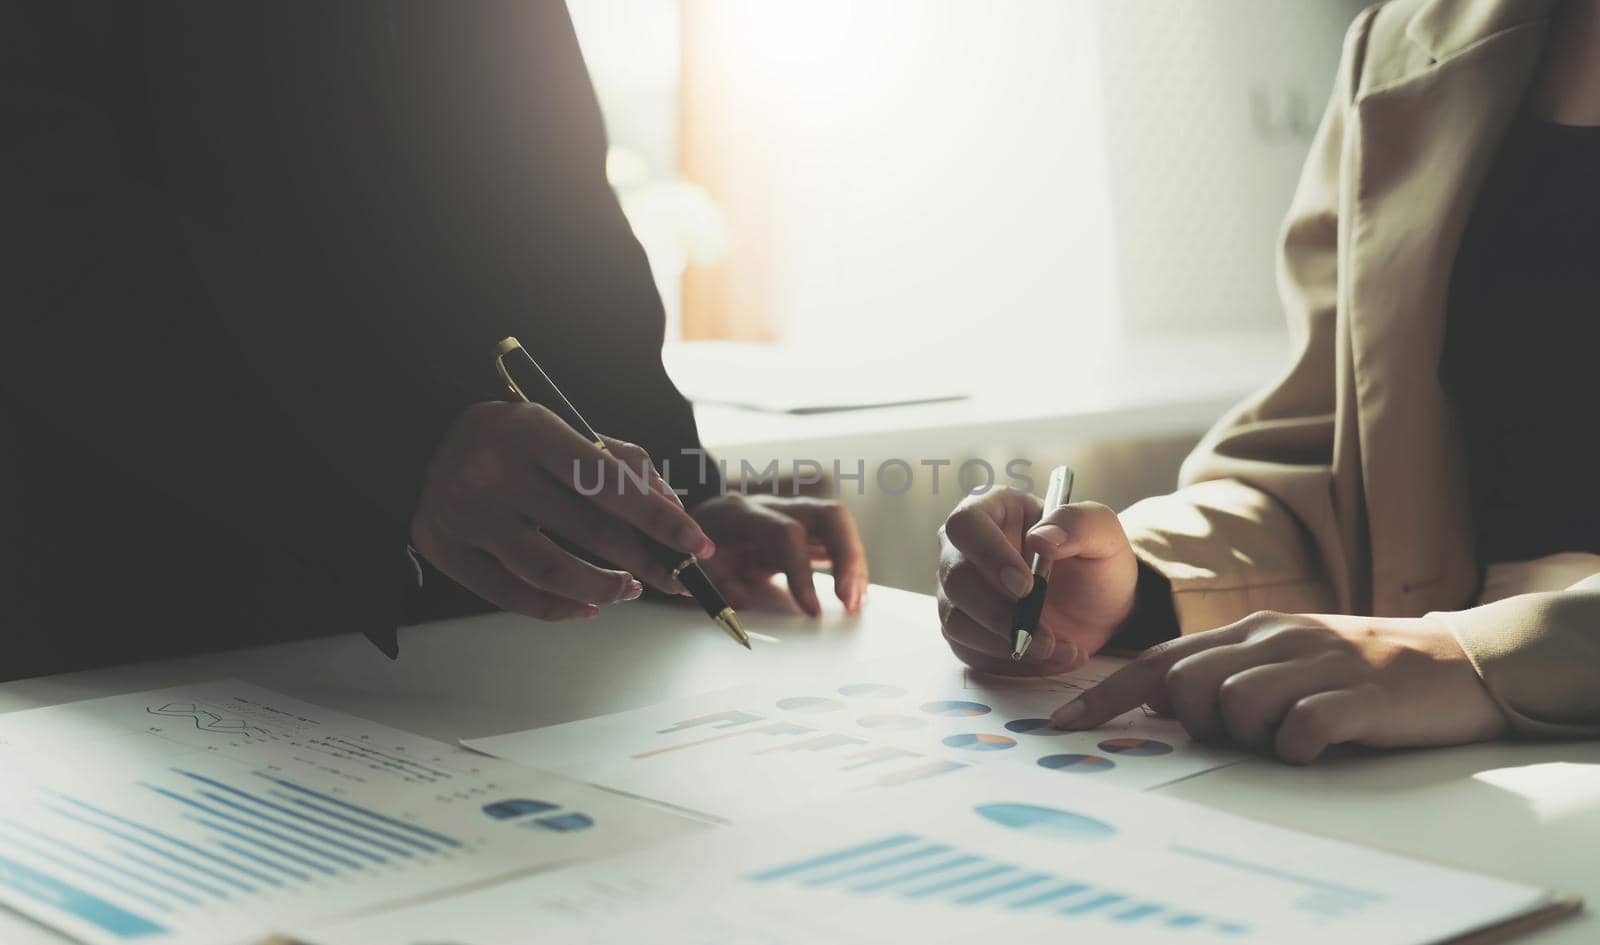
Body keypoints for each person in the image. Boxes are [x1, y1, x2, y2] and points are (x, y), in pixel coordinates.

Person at [0, 1, 867, 682]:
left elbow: (551, 203)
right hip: (146, 626)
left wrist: (678, 498)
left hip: (485, 653)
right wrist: (402, 443)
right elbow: (47, 232)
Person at [936, 0, 1600, 763]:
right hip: (1431, 775)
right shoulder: (1402, 43)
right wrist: (1141, 582)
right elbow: (1327, 475)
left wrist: (1474, 655)